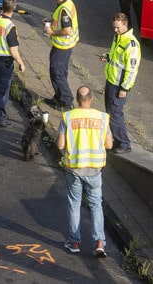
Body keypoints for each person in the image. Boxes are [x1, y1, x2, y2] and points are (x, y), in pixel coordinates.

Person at [57, 85, 113, 258]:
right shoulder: (102, 118)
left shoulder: (68, 117)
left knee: (74, 204)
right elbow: (109, 144)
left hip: (74, 169)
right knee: (96, 205)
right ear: (91, 99)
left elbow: (60, 145)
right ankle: (99, 242)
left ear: (77, 99)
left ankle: (74, 241)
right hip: (95, 169)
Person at [100, 12, 140, 153]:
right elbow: (118, 59)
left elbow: (131, 70)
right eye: (114, 27)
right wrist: (108, 56)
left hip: (119, 86)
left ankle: (124, 143)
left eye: (117, 27)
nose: (115, 30)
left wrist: (124, 88)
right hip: (111, 81)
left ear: (125, 25)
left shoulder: (131, 44)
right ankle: (117, 139)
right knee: (110, 113)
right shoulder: (118, 37)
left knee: (116, 114)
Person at [0, 0, 25, 127]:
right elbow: (13, 51)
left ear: (2, 7)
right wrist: (21, 63)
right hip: (5, 62)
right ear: (13, 8)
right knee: (1, 92)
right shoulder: (10, 27)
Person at [42, 0, 79, 110]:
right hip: (65, 46)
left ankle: (66, 101)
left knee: (57, 74)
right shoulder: (67, 2)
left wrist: (52, 32)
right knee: (60, 72)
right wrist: (51, 21)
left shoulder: (63, 9)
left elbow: (67, 30)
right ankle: (59, 97)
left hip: (63, 47)